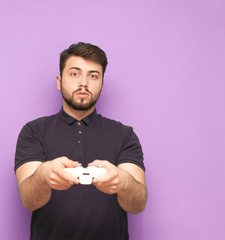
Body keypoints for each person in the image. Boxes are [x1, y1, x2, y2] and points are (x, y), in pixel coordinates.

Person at [14, 42, 147, 240]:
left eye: (93, 76)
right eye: (74, 74)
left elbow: (138, 205)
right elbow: (29, 200)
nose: (83, 82)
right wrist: (43, 175)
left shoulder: (125, 135)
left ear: (102, 86)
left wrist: (123, 181)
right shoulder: (33, 131)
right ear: (59, 81)